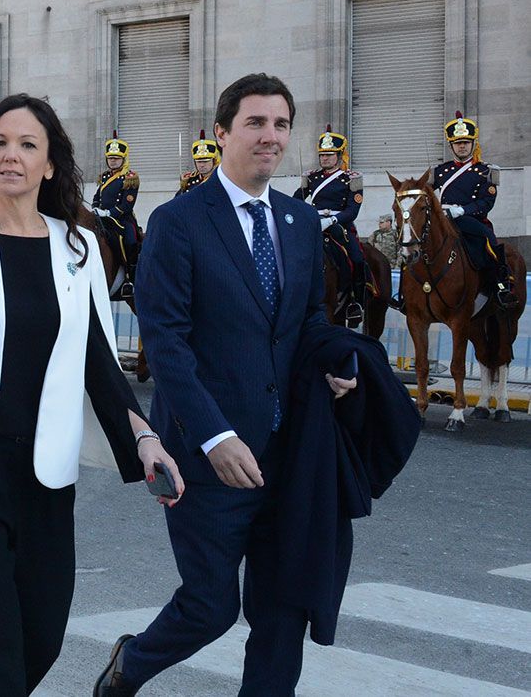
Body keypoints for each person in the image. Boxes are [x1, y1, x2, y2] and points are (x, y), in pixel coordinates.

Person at [0, 94, 183, 697]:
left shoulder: (76, 247)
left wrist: (146, 440)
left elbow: (101, 362)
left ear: (50, 165)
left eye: (27, 145)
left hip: (46, 478)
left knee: (40, 639)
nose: (11, 156)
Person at [95, 74, 357, 697]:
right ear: (222, 133)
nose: (271, 137)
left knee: (282, 609)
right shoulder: (177, 222)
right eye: (256, 124)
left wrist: (337, 360)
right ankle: (130, 665)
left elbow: (308, 320)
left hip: (290, 452)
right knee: (211, 607)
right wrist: (215, 435)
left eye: (281, 125)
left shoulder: (298, 220)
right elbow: (166, 342)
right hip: (208, 459)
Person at [432, 111, 515, 308]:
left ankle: (503, 284)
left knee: (489, 239)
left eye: (466, 142)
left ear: (473, 144)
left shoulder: (487, 171)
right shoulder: (440, 171)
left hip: (469, 220)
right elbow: (424, 192)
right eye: (458, 142)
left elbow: (487, 202)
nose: (462, 146)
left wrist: (462, 210)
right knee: (414, 245)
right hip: (442, 219)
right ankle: (406, 295)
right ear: (451, 145)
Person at [294, 125, 367, 326]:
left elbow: (353, 210)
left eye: (330, 155)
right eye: (322, 155)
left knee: (357, 259)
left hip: (338, 225)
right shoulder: (312, 177)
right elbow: (296, 200)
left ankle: (355, 303)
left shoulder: (351, 178)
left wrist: (332, 220)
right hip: (314, 223)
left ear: (340, 155)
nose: (325, 158)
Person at [92, 132, 140, 298]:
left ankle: (130, 278)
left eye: (117, 158)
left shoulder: (130, 177)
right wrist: (95, 209)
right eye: (111, 158)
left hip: (122, 219)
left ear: (124, 159)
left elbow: (127, 204)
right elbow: (97, 196)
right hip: (103, 220)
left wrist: (108, 212)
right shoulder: (105, 177)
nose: (113, 161)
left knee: (129, 239)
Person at [175, 130, 219, 197]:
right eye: (199, 162)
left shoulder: (220, 178)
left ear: (214, 161)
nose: (202, 165)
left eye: (205, 161)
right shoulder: (189, 180)